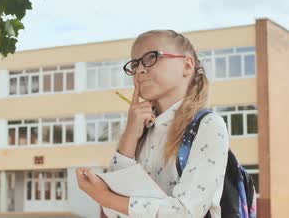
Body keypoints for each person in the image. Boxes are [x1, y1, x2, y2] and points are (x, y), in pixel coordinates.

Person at [76, 29, 229, 217]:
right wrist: (130, 136)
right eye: (135, 64)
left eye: (151, 57)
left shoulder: (208, 126)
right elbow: (114, 214)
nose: (140, 69)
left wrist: (105, 197)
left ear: (187, 65)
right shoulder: (142, 130)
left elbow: (186, 212)